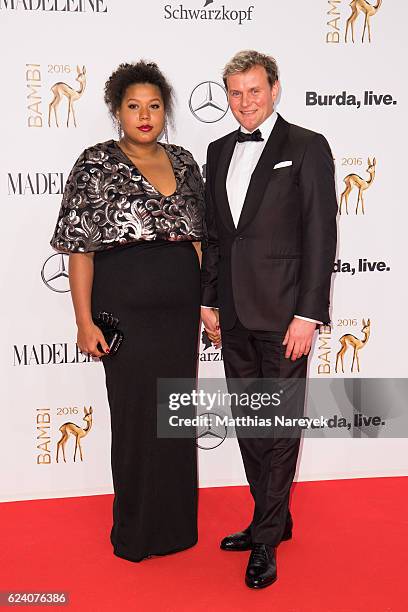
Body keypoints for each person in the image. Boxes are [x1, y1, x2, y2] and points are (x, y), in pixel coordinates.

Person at [50, 61, 205, 562]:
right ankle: (137, 533)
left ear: (166, 111)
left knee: (174, 417)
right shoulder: (94, 164)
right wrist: (83, 320)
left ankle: (178, 528)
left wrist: (209, 303)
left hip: (180, 315)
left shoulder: (185, 163)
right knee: (138, 420)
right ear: (117, 110)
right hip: (127, 317)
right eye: (133, 105)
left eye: (154, 105)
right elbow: (80, 250)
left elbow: (200, 242)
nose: (145, 115)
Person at [201, 50, 337, 588]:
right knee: (251, 424)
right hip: (232, 313)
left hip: (285, 315)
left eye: (254, 91)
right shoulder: (216, 151)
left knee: (278, 427)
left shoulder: (306, 146)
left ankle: (264, 540)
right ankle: (271, 519)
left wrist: (309, 312)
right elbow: (214, 236)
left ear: (275, 89)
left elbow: (320, 235)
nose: (245, 103)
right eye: (235, 93)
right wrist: (208, 301)